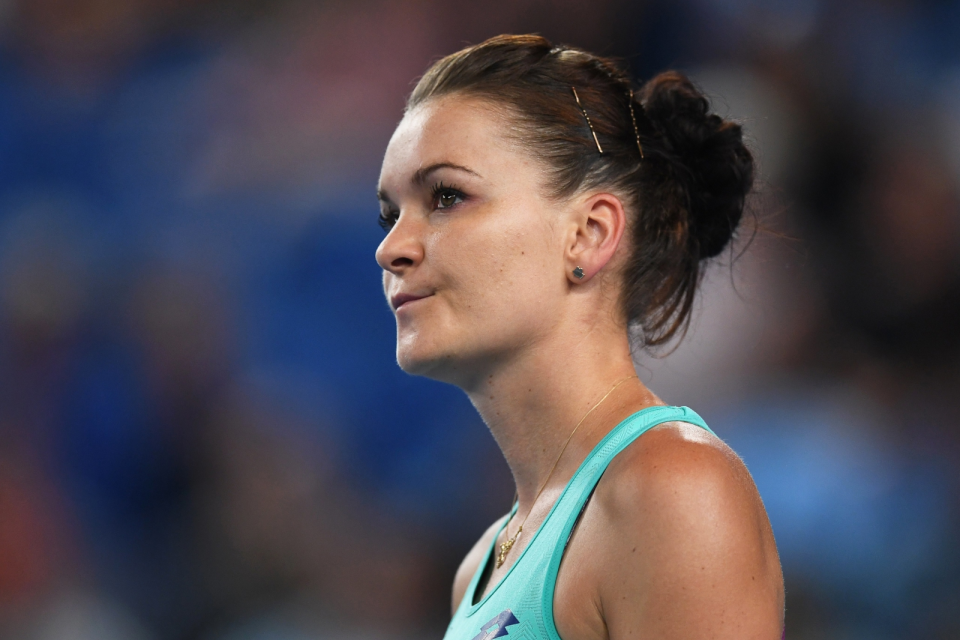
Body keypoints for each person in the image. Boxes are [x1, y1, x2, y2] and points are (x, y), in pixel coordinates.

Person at [375, 34, 784, 640]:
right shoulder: (480, 567)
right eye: (391, 213)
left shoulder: (672, 490)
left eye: (446, 196)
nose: (391, 248)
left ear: (589, 233)